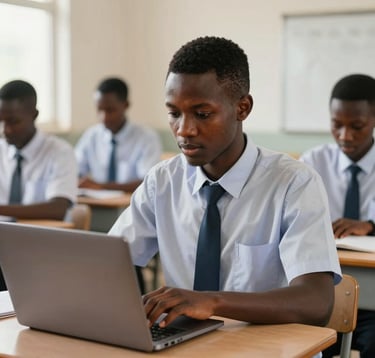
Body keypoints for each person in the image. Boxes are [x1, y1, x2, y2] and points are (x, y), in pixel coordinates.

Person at [109, 36, 341, 331]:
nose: (184, 130)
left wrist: (212, 302)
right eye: (173, 113)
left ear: (242, 108)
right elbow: (108, 262)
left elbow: (316, 304)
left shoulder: (294, 184)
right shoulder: (163, 181)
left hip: (269, 347)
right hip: (186, 344)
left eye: (202, 114)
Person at [300, 73, 375, 358]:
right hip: (323, 293)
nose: (345, 135)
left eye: (357, 126)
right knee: (311, 341)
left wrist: (369, 225)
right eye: (336, 125)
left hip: (372, 303)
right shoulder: (312, 162)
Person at [0, 79, 78, 291]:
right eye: (1, 122)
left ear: (34, 115)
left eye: (13, 121)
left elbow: (57, 209)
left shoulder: (59, 152)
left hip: (39, 247)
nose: (6, 130)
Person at [75, 77, 162, 193]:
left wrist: (101, 187)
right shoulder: (91, 136)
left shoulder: (146, 138)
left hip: (132, 205)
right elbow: (74, 171)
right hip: (97, 204)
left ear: (126, 105)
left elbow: (148, 182)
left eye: (110, 110)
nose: (104, 117)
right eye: (99, 110)